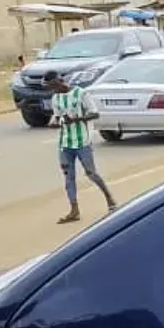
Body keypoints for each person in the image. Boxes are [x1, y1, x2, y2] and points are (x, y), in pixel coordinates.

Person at [46, 71, 117, 223]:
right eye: (50, 87)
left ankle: (109, 198)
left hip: (82, 141)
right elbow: (57, 117)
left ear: (60, 81)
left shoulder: (81, 93)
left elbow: (95, 114)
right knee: (68, 177)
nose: (52, 89)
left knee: (91, 173)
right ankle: (74, 209)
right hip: (65, 143)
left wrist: (77, 119)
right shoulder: (56, 98)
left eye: (53, 85)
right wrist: (54, 123)